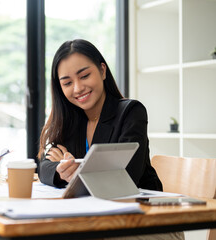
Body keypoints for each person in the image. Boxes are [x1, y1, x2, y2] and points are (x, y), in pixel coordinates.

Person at [38, 39, 184, 240]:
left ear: (103, 71)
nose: (78, 88)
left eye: (85, 75)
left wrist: (77, 175)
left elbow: (124, 177)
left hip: (148, 223)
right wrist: (60, 172)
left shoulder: (131, 112)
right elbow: (44, 167)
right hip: (96, 223)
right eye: (68, 83)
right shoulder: (71, 121)